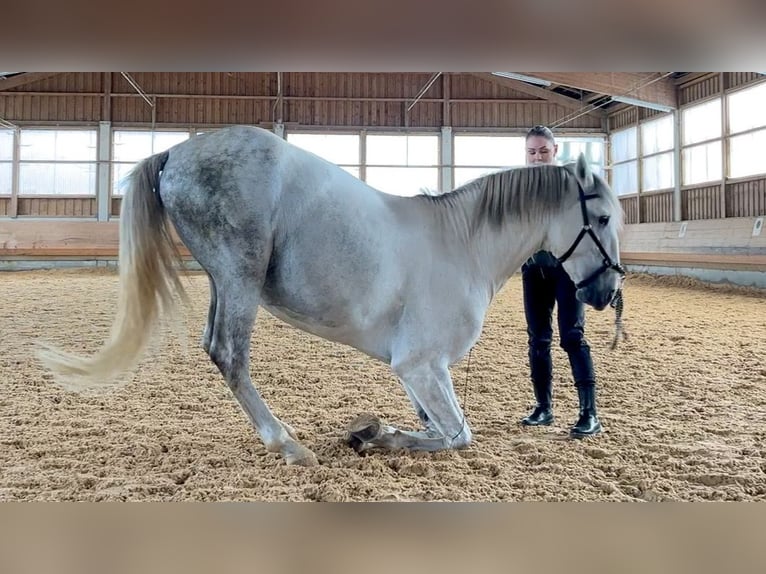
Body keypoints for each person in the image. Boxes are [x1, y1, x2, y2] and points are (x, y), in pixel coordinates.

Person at [520, 125, 601, 438]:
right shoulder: (521, 187)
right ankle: (543, 407)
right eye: (531, 151)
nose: (537, 156)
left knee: (572, 337)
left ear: (554, 150)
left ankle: (589, 413)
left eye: (543, 150)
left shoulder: (571, 183)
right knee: (538, 340)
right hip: (533, 271)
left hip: (568, 271)